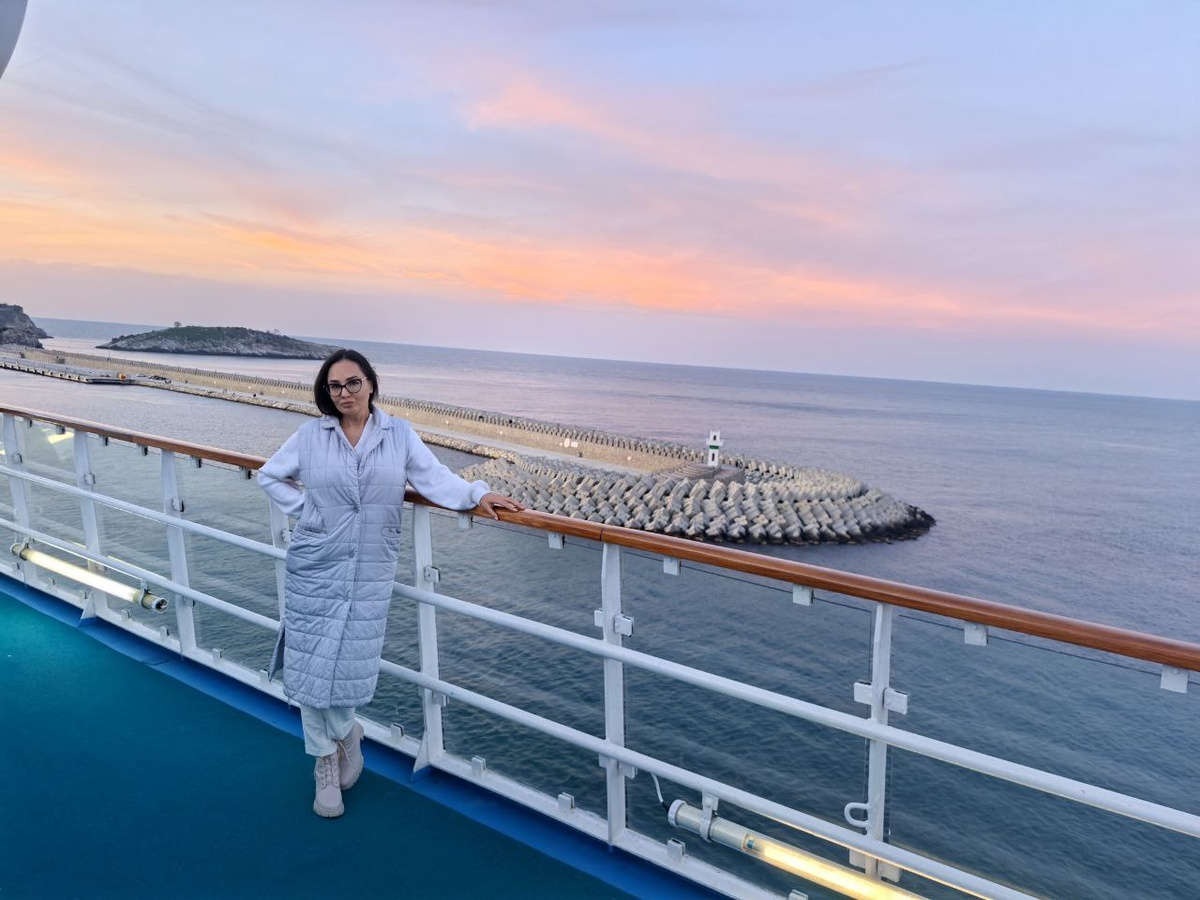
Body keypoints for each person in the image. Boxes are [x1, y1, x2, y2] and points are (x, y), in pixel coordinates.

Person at [257, 348, 524, 818]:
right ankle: (326, 760)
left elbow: (435, 478)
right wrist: (310, 514)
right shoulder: (311, 435)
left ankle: (347, 734)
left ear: (371, 384)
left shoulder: (398, 434)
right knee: (309, 665)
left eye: (352, 383)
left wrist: (477, 493)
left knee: (348, 663)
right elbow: (270, 476)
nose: (344, 393)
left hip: (368, 570)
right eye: (335, 386)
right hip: (315, 564)